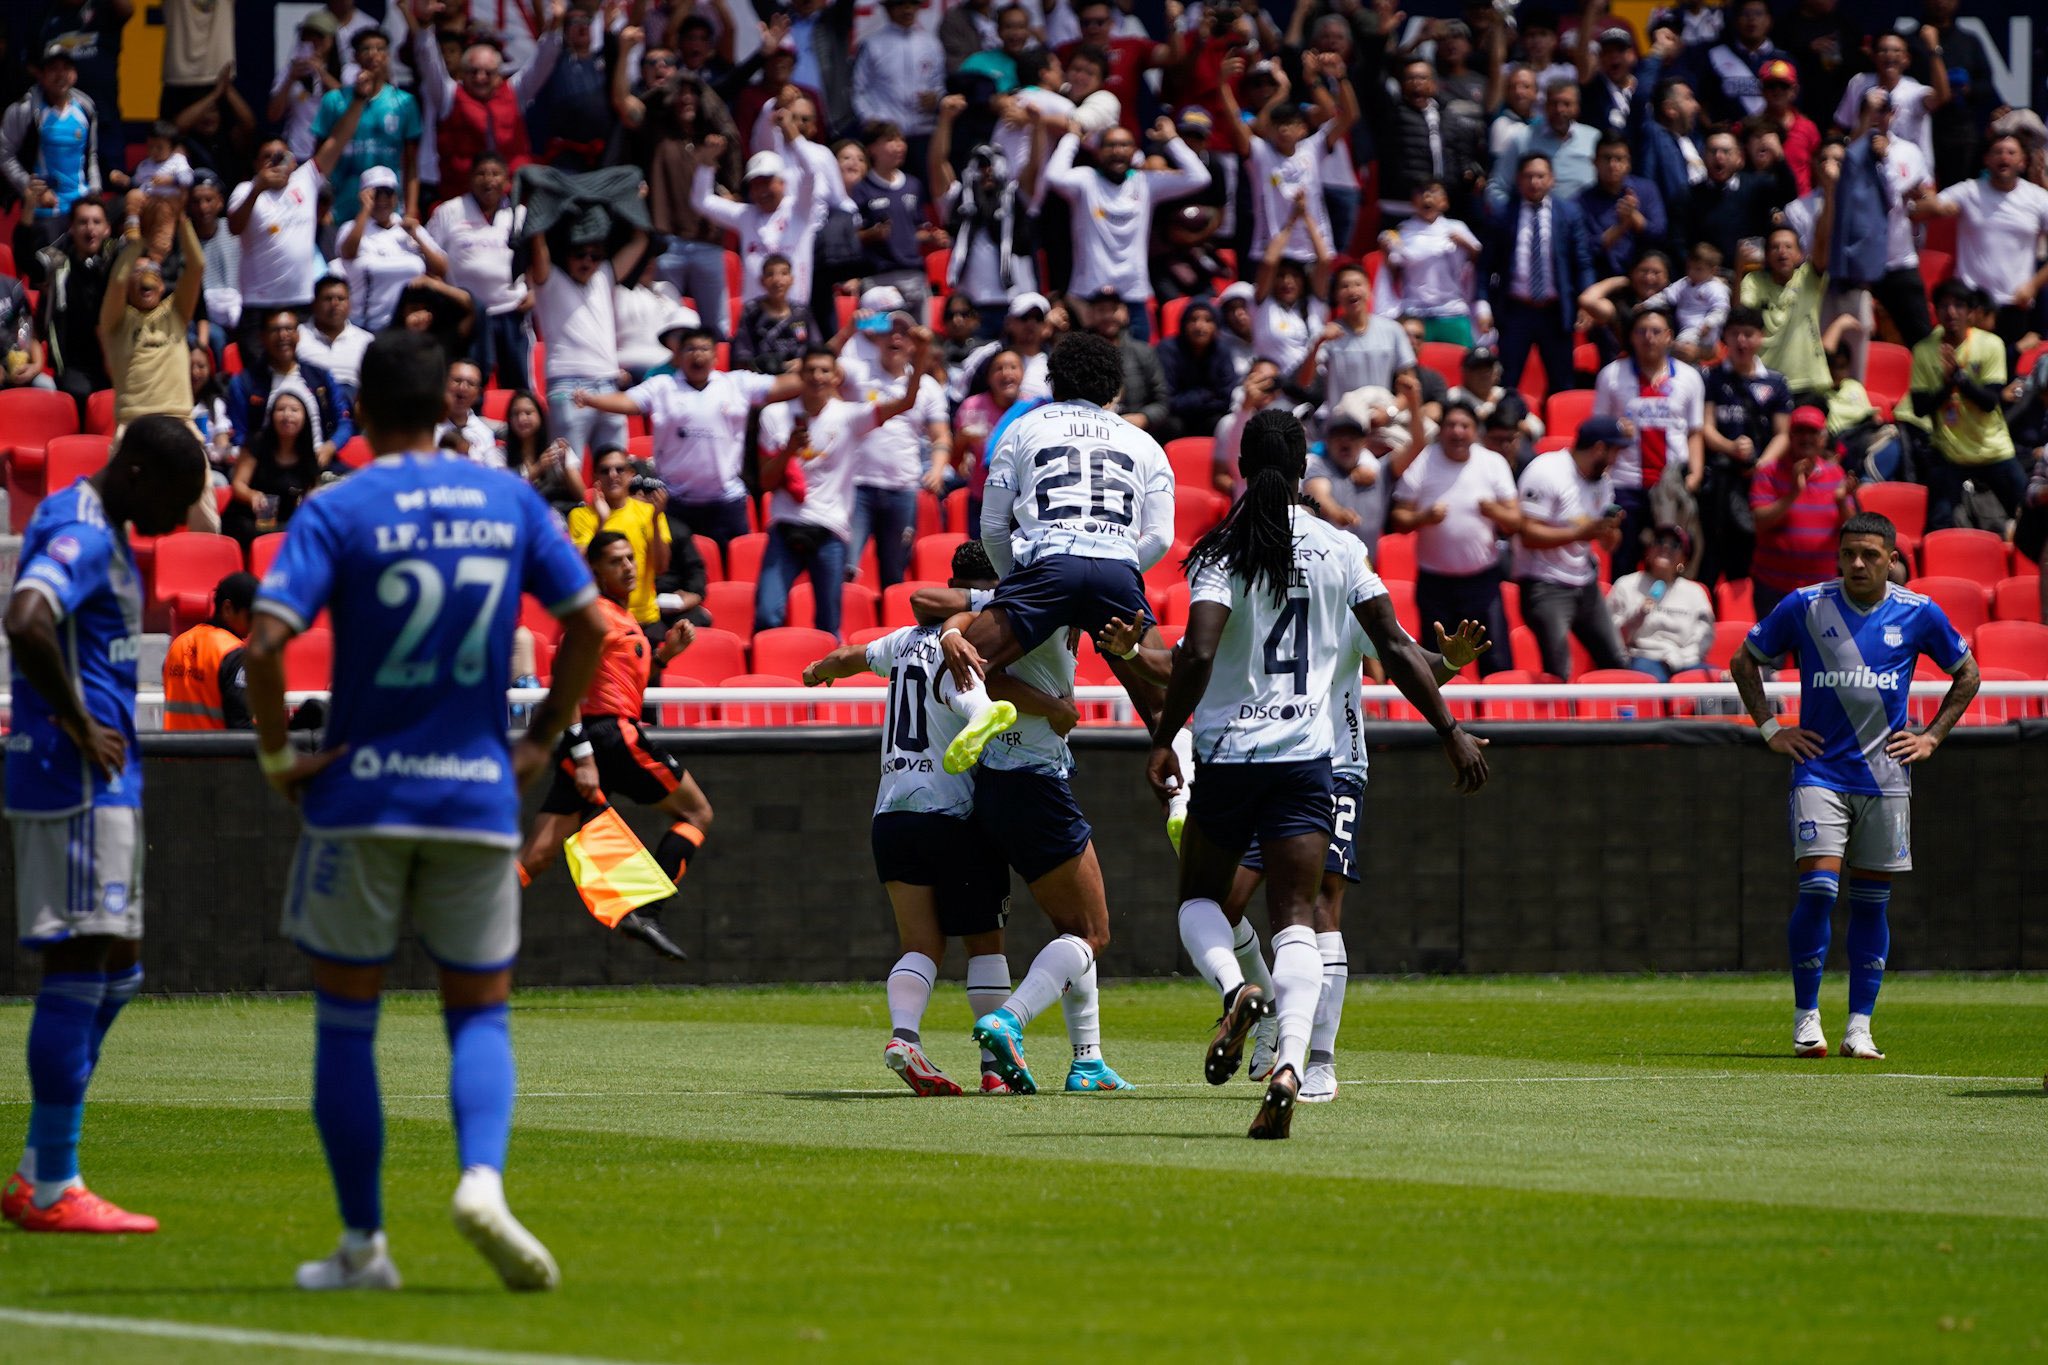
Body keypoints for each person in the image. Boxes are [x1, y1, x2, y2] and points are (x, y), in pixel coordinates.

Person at [241, 328, 607, 1293]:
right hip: (477, 794)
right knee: (478, 1012)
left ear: (357, 412)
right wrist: (545, 736)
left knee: (346, 1021)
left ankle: (364, 1245)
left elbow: (266, 644)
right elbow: (591, 626)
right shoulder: (506, 498)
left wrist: (282, 758)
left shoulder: (338, 505)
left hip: (359, 796)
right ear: (449, 407)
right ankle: (482, 1180)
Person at [1139, 408, 1487, 1138]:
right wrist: (1450, 731)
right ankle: (1295, 1061)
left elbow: (1197, 654)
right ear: (1305, 470)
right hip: (1309, 760)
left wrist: (1167, 735)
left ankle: (1238, 992)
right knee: (1298, 917)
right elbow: (1392, 645)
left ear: (1240, 465)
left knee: (1200, 899)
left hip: (1233, 756)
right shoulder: (1340, 547)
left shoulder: (1220, 553)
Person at [2, 416, 207, 1234]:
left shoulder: (100, 526)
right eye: (176, 499)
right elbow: (25, 618)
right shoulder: (83, 531)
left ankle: (35, 1168)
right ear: (137, 474)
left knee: (117, 965)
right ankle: (52, 1183)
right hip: (74, 777)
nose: (178, 519)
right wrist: (82, 723)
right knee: (83, 961)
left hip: (99, 781)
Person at [799, 540, 1086, 1096]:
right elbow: (1006, 688)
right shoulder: (975, 650)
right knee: (985, 944)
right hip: (954, 813)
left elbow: (844, 658)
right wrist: (1054, 710)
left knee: (921, 947)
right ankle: (994, 1069)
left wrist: (815, 673)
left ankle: (905, 1037)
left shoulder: (904, 642)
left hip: (891, 815)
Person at [1730, 512, 1979, 1063]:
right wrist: (1771, 729)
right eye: (1849, 555)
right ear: (1838, 556)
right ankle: (1806, 1019)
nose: (1858, 564)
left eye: (1870, 554)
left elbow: (1969, 673)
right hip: (1819, 770)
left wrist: (1933, 737)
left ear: (1892, 558)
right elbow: (1744, 659)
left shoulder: (1918, 613)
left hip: (1887, 778)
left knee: (1871, 904)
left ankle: (1859, 1027)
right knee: (1818, 890)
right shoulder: (1806, 604)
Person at [941, 332, 1176, 770]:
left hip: (1048, 566)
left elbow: (992, 526)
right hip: (1117, 571)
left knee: (961, 673)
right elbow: (1160, 538)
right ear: (1114, 388)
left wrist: (1019, 586)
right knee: (1163, 708)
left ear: (1055, 382)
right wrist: (1114, 562)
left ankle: (984, 712)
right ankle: (1181, 803)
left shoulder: (1023, 427)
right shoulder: (1145, 442)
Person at [517, 532, 706, 965]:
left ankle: (471, 927)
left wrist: (662, 660)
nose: (627, 566)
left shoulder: (621, 617)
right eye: (615, 560)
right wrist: (584, 757)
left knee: (537, 856)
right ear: (595, 571)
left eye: (630, 558)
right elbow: (565, 687)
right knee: (697, 813)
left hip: (598, 737)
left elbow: (619, 686)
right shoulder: (594, 617)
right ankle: (646, 914)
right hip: (607, 737)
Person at [754, 340, 939, 637]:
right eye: (811, 370)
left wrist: (918, 361)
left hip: (830, 530)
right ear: (800, 374)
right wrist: (789, 450)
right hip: (786, 526)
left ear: (836, 377)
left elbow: (905, 402)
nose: (817, 377)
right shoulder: (774, 415)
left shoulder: (850, 416)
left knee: (828, 624)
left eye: (825, 370)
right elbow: (765, 482)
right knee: (767, 614)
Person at [573, 327, 801, 554]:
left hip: (727, 502)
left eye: (704, 348)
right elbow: (628, 402)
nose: (697, 354)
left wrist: (817, 376)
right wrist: (592, 400)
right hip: (675, 503)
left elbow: (782, 385)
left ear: (715, 356)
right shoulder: (662, 386)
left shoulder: (736, 383)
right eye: (690, 349)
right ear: (680, 357)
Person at [1041, 119, 1212, 343]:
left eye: (1124, 145)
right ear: (1099, 151)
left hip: (1133, 295)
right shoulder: (1086, 180)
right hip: (1089, 295)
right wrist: (1072, 137)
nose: (1117, 151)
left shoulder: (1145, 182)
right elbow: (1054, 177)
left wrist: (1171, 140)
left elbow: (1200, 178)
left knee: (1135, 367)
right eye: (1111, 145)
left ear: (1134, 151)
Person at [1390, 401, 1520, 678]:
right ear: (1441, 430)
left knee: (1496, 660)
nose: (1457, 432)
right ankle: (1442, 722)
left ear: (1475, 431)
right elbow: (1398, 519)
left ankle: (1500, 721)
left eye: (1465, 426)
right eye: (1451, 425)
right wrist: (1422, 518)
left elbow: (1514, 520)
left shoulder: (1492, 463)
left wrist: (1493, 511)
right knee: (1438, 665)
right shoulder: (1424, 461)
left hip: (1483, 581)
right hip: (1436, 585)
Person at [231, 88, 370, 346]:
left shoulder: (305, 180)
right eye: (268, 158)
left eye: (283, 157)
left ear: (294, 161)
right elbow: (235, 226)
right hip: (259, 304)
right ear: (256, 164)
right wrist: (258, 188)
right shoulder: (245, 190)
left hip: (302, 302)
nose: (277, 163)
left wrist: (359, 99)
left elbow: (338, 140)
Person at [525, 219, 650, 475]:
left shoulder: (604, 275)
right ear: (566, 256)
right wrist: (540, 212)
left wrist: (634, 201)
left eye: (595, 256)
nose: (587, 262)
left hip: (608, 385)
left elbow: (640, 241)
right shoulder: (549, 280)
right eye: (580, 255)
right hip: (567, 386)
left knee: (617, 471)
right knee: (564, 473)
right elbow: (537, 244)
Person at [1592, 306, 1706, 577]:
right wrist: (1617, 431)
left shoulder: (1689, 377)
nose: (1649, 338)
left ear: (1669, 336)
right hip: (1626, 485)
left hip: (1671, 486)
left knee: (1671, 563)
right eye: (1641, 331)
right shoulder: (1611, 375)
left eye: (1656, 331)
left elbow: (1695, 432)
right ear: (1631, 337)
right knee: (1625, 562)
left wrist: (1695, 477)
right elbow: (1599, 430)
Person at [1513, 418, 1630, 680]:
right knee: (1559, 669)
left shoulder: (1602, 480)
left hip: (1585, 582)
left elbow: (1605, 541)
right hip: (1545, 584)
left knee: (1616, 661)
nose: (1616, 459)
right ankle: (1559, 722)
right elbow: (1527, 533)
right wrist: (1582, 533)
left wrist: (1610, 533)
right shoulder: (1546, 470)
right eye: (1615, 451)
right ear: (1599, 448)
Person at [1905, 281, 2022, 531]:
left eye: (1959, 305)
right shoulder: (1924, 351)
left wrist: (1959, 379)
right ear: (1935, 310)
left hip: (1992, 448)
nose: (1951, 312)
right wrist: (1948, 387)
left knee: (2029, 513)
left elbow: (1990, 402)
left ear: (1971, 312)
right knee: (1939, 522)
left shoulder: (1991, 344)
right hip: (1950, 452)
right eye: (1944, 305)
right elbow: (1919, 407)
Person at [1483, 153, 1595, 394]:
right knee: (1507, 381)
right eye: (1528, 176)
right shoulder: (1503, 214)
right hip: (1515, 311)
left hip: (1555, 312)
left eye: (1540, 176)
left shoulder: (1569, 213)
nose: (1535, 182)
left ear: (1552, 179)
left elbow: (1582, 262)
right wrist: (1482, 303)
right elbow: (1486, 264)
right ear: (1518, 179)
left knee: (1562, 382)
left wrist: (1587, 301)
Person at [99, 201, 204, 429]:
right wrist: (141, 240)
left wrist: (181, 219)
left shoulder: (176, 312)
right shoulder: (115, 320)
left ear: (162, 286)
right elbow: (117, 280)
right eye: (137, 272)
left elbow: (197, 266)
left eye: (153, 271)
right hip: (134, 424)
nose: (146, 275)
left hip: (179, 421)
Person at [428, 153, 529, 390]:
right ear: (470, 179)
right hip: (466, 313)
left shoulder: (520, 213)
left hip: (511, 310)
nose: (488, 180)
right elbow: (429, 259)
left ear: (506, 181)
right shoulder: (449, 211)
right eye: (481, 173)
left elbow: (535, 256)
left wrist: (533, 290)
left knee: (517, 386)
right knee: (468, 382)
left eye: (495, 174)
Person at [1749, 406, 1858, 619]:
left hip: (1821, 590)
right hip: (1773, 587)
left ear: (1823, 438)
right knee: (1771, 652)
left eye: (1812, 432)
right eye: (1800, 432)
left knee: (1817, 653)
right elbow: (1760, 522)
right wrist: (1793, 494)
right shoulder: (1769, 472)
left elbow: (1851, 530)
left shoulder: (1836, 473)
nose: (1806, 438)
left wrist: (1841, 502)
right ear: (1790, 436)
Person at [0, 45, 102, 270]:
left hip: (80, 206)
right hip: (46, 211)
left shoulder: (86, 108)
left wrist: (94, 193)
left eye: (66, 68)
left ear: (74, 75)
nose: (60, 75)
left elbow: (91, 154)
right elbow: (4, 154)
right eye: (53, 69)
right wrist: (31, 188)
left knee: (86, 269)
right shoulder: (25, 109)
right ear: (42, 75)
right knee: (44, 273)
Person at [311, 28, 420, 220]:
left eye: (380, 49)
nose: (373, 55)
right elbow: (318, 160)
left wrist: (411, 211)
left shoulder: (404, 102)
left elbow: (411, 163)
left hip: (389, 210)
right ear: (355, 56)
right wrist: (322, 208)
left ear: (388, 55)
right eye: (366, 49)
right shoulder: (334, 101)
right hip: (342, 207)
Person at [568, 449, 672, 642]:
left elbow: (661, 567)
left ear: (631, 474)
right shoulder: (581, 516)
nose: (613, 475)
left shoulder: (650, 512)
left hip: (646, 620)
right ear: (595, 477)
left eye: (619, 469)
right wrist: (601, 521)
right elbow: (582, 570)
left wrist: (656, 521)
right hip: (606, 620)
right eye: (605, 470)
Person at [225, 310, 353, 463]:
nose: (283, 335)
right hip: (266, 468)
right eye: (275, 330)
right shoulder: (244, 383)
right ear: (262, 337)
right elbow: (240, 435)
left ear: (298, 335)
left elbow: (344, 422)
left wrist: (329, 447)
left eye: (289, 329)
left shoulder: (320, 377)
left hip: (318, 462)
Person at [222, 378, 329, 549]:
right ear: (271, 415)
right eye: (281, 410)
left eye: (294, 410)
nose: (287, 415)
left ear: (305, 417)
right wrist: (253, 496)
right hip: (248, 520)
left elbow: (312, 493)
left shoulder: (308, 454)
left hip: (284, 523)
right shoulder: (257, 443)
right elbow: (238, 484)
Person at [34, 197, 118, 410]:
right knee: (79, 393)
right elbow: (40, 326)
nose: (90, 228)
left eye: (97, 222)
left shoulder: (117, 265)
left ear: (107, 229)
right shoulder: (58, 268)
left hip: (114, 359)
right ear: (72, 228)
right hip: (73, 364)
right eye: (83, 222)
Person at [338, 166, 444, 332]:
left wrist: (416, 237)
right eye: (376, 194)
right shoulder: (351, 228)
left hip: (406, 327)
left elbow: (441, 268)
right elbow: (348, 252)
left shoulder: (409, 229)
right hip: (366, 325)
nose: (382, 200)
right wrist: (366, 210)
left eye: (388, 193)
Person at [1607, 525, 1714, 679]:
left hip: (1684, 660)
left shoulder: (1695, 592)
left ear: (1683, 560)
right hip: (1642, 657)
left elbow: (1703, 637)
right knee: (1654, 680)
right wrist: (1638, 615)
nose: (1665, 547)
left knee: (1717, 685)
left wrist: (1681, 658)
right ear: (1648, 551)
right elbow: (1612, 637)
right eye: (1659, 541)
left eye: (1675, 545)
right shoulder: (1626, 585)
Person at [163, 570, 256, 730]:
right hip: (218, 753)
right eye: (251, 616)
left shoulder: (178, 643)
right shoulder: (234, 654)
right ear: (227, 608)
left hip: (175, 752)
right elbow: (241, 727)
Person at [730, 253, 819, 375]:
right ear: (762, 281)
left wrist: (803, 362)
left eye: (784, 273)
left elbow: (816, 348)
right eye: (770, 274)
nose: (777, 280)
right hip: (763, 378)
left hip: (800, 375)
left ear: (792, 279)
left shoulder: (801, 312)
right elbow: (742, 355)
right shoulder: (751, 311)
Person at [296, 276, 373, 392]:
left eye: (341, 299)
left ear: (349, 303)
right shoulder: (297, 336)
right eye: (328, 299)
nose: (335, 304)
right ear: (314, 303)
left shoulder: (366, 341)